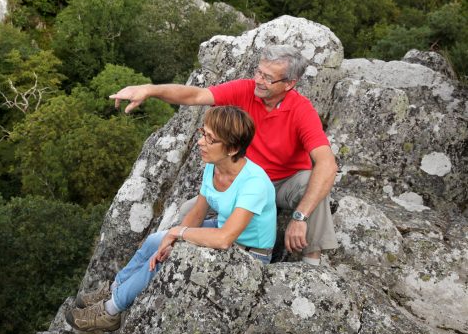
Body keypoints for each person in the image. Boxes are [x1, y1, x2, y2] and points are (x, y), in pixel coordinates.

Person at [109, 45, 338, 266]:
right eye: (258, 72)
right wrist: (150, 90)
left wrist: (300, 217)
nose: (259, 80)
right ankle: (167, 262)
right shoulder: (245, 90)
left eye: (268, 78)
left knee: (315, 182)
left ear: (290, 84)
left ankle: (311, 264)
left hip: (284, 182)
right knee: (189, 211)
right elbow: (196, 96)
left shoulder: (301, 110)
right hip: (243, 182)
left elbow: (327, 164)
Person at [65, 106, 276, 333]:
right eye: (202, 133)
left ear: (233, 148)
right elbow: (198, 211)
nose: (200, 142)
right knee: (156, 241)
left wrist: (178, 234)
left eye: (210, 139)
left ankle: (111, 310)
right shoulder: (213, 167)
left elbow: (225, 239)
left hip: (248, 252)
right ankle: (116, 286)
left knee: (167, 258)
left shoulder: (254, 183)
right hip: (223, 229)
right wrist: (171, 236)